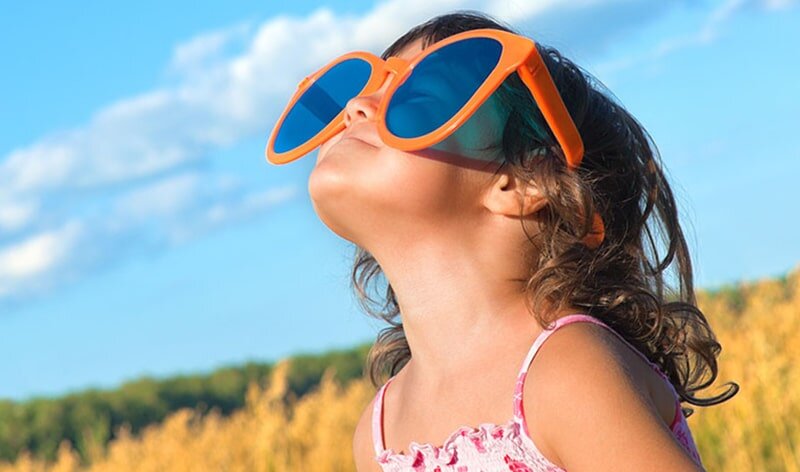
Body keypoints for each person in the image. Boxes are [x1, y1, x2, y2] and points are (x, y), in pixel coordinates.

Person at [266, 9, 738, 472]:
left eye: (413, 102)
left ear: (525, 180)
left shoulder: (567, 370)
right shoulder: (380, 434)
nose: (356, 107)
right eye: (364, 92)